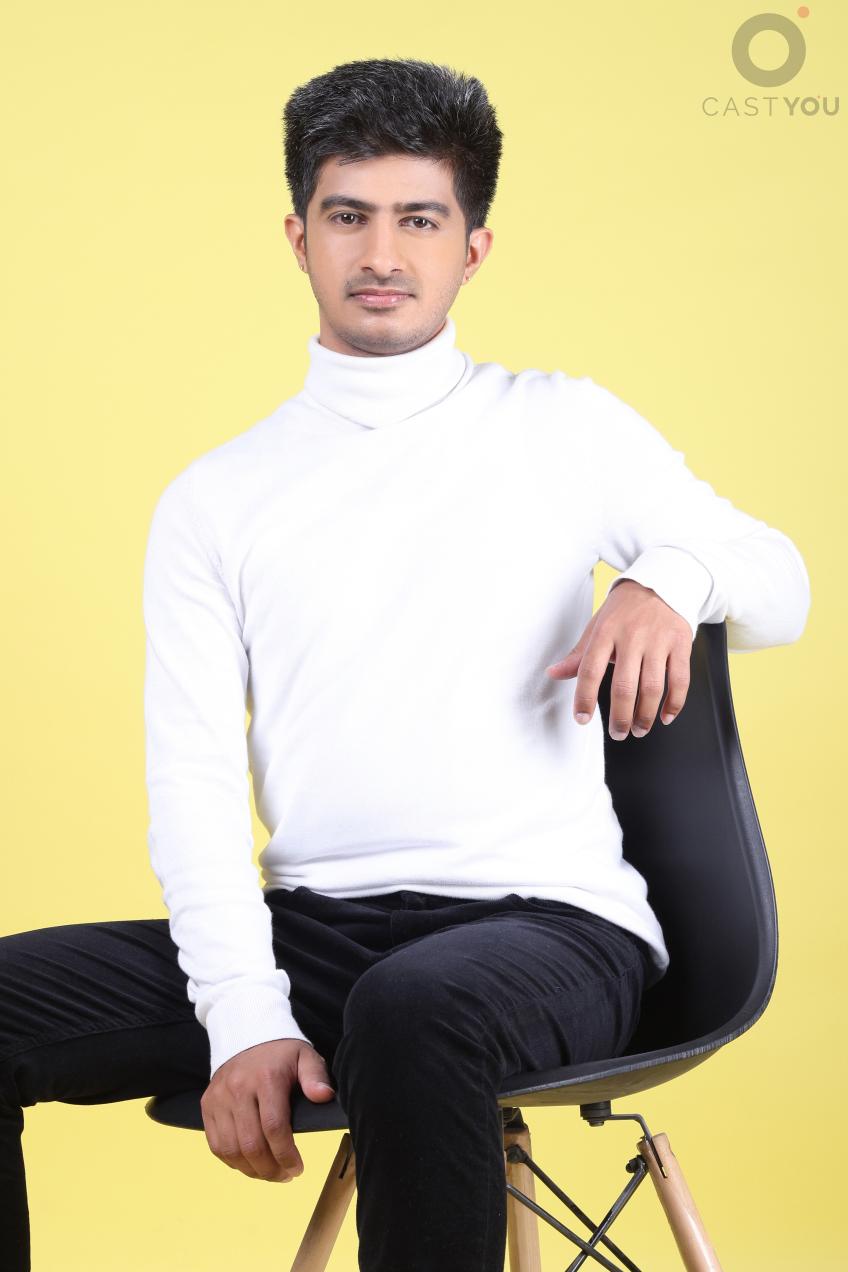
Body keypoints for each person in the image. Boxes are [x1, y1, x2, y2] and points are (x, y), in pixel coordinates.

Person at [0, 57, 810, 1272]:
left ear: (471, 249)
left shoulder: (558, 425)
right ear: (299, 237)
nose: (381, 253)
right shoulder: (215, 500)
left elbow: (779, 580)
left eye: (418, 220)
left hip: (546, 929)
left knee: (413, 1008)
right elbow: (194, 785)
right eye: (348, 216)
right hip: (316, 935)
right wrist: (244, 1017)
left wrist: (668, 578)